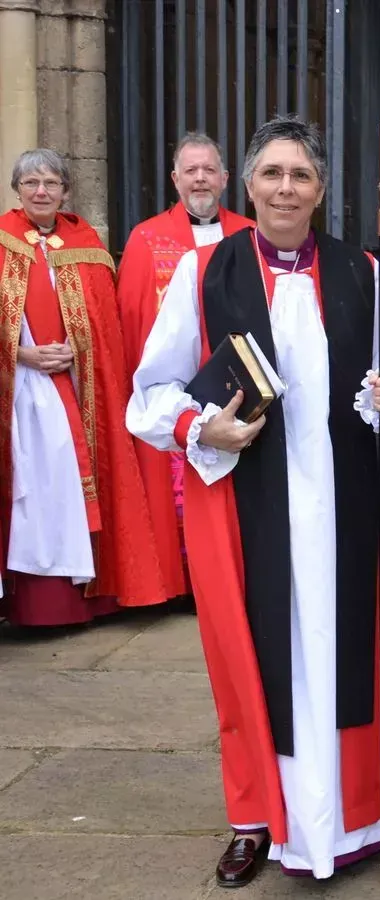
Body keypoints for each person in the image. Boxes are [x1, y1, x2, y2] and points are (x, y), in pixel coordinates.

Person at [126, 116, 380, 887]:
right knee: (251, 660)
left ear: (321, 191)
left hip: (342, 504)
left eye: (301, 176)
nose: (286, 187)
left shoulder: (364, 271)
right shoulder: (205, 275)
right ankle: (259, 820)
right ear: (247, 186)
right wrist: (202, 426)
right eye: (273, 174)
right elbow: (150, 390)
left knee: (344, 649)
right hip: (248, 507)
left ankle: (358, 813)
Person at [0, 149, 166, 626]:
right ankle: (26, 605)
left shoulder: (85, 242)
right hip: (18, 390)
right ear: (17, 190)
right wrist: (18, 352)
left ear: (66, 191)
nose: (41, 192)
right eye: (31, 183)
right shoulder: (4, 240)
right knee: (30, 493)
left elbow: (105, 323)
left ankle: (85, 601)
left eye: (51, 183)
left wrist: (83, 351)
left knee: (71, 491)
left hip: (76, 390)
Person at [117, 132, 254, 603]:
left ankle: (231, 578)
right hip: (174, 395)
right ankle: (177, 584)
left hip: (235, 386)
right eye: (190, 170)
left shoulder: (248, 233)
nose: (200, 179)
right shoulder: (146, 238)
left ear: (225, 179)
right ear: (175, 179)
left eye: (208, 170)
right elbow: (133, 320)